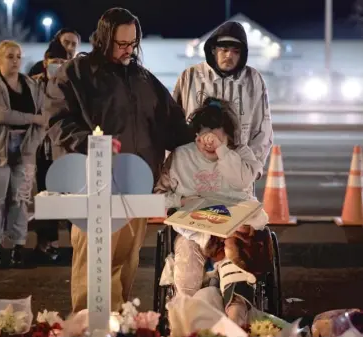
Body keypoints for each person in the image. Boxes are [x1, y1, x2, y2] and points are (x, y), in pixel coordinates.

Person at [43, 7, 194, 312]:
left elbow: (172, 125)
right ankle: (87, 326)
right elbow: (57, 121)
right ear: (103, 39)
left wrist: (204, 138)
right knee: (93, 266)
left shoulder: (143, 78)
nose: (128, 51)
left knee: (125, 263)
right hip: (94, 184)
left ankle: (116, 324)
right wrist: (91, 143)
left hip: (137, 186)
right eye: (121, 44)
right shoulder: (77, 73)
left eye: (133, 44)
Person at [154, 97, 268, 327]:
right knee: (186, 278)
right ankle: (188, 323)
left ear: (229, 136)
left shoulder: (240, 153)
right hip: (193, 232)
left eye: (216, 135)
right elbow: (158, 195)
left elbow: (241, 180)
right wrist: (180, 199)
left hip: (233, 232)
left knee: (236, 267)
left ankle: (236, 321)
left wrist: (223, 152)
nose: (207, 142)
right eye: (203, 135)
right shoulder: (180, 156)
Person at [0, 40, 46, 268]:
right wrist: (32, 119)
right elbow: (0, 115)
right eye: (9, 57)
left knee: (20, 200)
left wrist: (33, 143)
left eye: (18, 56)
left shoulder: (30, 85)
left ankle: (17, 248)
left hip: (24, 147)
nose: (15, 61)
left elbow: (44, 116)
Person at [173, 21, 273, 178]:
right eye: (224, 50)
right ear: (213, 50)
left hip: (236, 169)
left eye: (235, 51)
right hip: (194, 170)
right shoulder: (190, 76)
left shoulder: (253, 80)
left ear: (242, 54)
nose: (229, 55)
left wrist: (251, 169)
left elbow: (262, 129)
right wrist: (174, 165)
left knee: (239, 204)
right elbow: (173, 124)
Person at [31, 40, 70, 264]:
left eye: (61, 62)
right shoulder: (34, 84)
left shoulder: (71, 84)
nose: (57, 65)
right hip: (41, 150)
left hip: (62, 150)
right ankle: (48, 243)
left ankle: (77, 242)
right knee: (45, 198)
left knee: (71, 198)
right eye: (54, 61)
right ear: (45, 62)